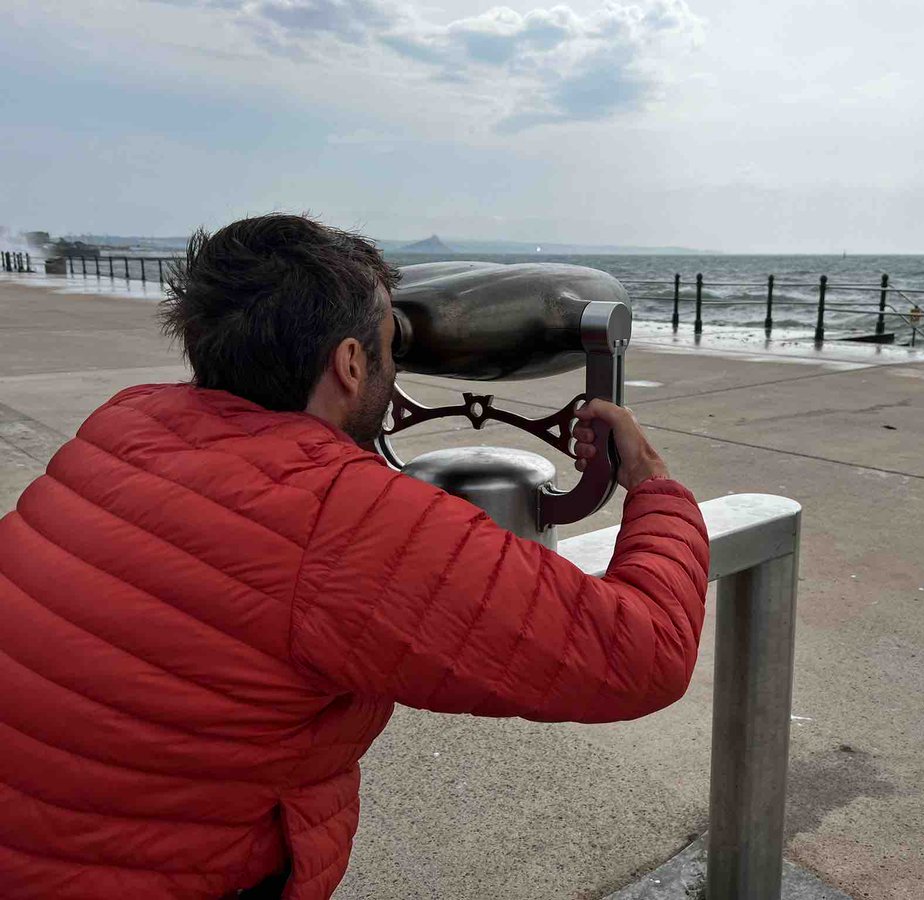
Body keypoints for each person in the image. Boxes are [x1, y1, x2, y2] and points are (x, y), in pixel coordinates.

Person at [0, 214, 710, 899]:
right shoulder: (341, 524)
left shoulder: (126, 423)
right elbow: (641, 656)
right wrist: (653, 482)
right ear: (348, 363)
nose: (393, 360)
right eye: (388, 345)